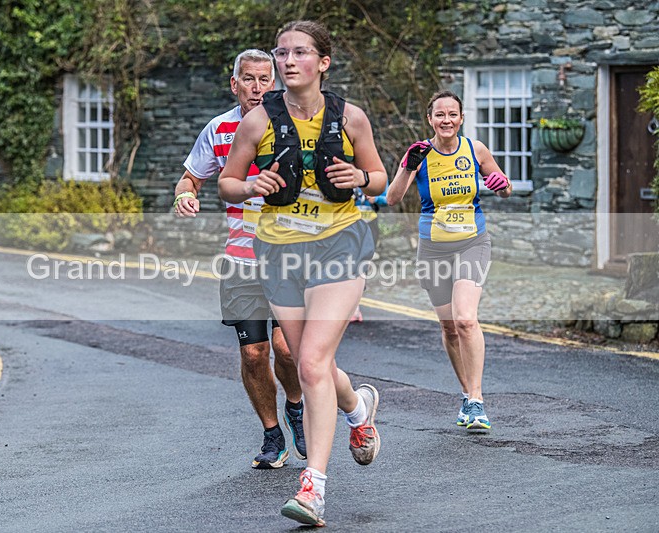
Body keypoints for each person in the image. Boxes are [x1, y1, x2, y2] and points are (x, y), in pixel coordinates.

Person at [219, 21, 386, 527]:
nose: (288, 62)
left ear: (323, 62)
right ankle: (358, 410)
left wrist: (359, 177)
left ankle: (312, 487)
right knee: (315, 366)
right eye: (282, 53)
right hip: (279, 256)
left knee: (309, 361)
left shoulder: (350, 118)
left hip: (339, 249)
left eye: (299, 53)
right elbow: (226, 182)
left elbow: (378, 177)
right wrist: (251, 187)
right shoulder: (256, 123)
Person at [173, 49, 306, 470]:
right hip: (241, 259)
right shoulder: (220, 129)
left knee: (287, 350)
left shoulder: (297, 124)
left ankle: (297, 405)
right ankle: (272, 436)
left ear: (276, 83)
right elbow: (191, 175)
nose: (257, 87)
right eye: (248, 79)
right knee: (253, 354)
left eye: (265, 79)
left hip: (289, 255)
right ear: (235, 84)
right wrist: (185, 194)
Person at [386, 90, 512, 433]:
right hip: (433, 248)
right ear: (430, 119)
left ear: (461, 118)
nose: (446, 120)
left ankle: (477, 399)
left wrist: (501, 185)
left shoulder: (475, 150)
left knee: (466, 319)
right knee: (448, 327)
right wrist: (406, 165)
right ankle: (465, 394)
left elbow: (503, 187)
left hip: (472, 242)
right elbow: (393, 198)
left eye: (452, 114)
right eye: (439, 114)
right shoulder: (421, 153)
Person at [350, 182, 389, 323]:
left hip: (369, 224)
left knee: (362, 264)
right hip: (347, 224)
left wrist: (376, 199)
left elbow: (389, 197)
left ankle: (355, 307)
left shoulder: (375, 172)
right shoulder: (344, 167)